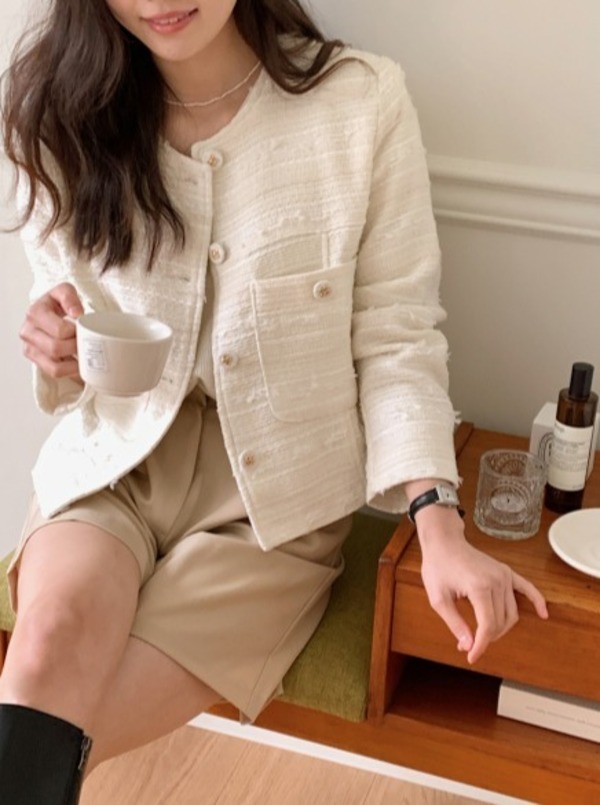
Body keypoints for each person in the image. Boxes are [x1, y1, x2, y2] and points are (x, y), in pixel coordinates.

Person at [0, 1, 548, 801]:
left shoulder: (359, 104)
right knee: (46, 652)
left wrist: (438, 523)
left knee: (43, 751)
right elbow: (69, 309)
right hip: (118, 458)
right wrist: (56, 341)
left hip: (276, 505)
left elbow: (396, 336)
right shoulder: (59, 112)